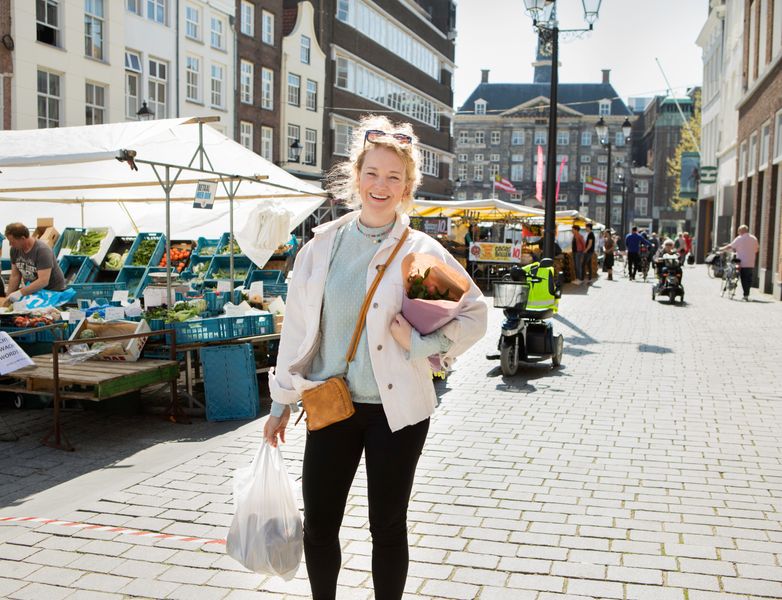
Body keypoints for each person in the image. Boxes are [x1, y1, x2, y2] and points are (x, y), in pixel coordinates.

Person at [263, 115, 488, 600]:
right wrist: (280, 404)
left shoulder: (418, 251)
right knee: (319, 524)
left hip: (397, 410)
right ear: (356, 176)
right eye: (372, 173)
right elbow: (297, 330)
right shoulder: (323, 246)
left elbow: (475, 315)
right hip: (331, 404)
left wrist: (423, 345)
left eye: (393, 177)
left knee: (386, 526)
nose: (380, 186)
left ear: (407, 187)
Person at [4, 223, 66, 302]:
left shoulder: (42, 251)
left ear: (23, 238)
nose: (10, 244)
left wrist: (20, 292)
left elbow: (43, 281)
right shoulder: (14, 250)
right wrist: (8, 297)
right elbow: (15, 276)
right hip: (33, 290)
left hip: (52, 291)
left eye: (12, 242)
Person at [720, 224, 759, 301]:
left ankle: (745, 295)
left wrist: (721, 248)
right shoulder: (754, 238)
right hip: (751, 262)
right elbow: (757, 249)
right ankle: (746, 294)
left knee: (743, 278)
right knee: (748, 278)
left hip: (742, 262)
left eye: (738, 231)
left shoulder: (739, 238)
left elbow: (730, 246)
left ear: (741, 231)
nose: (738, 233)